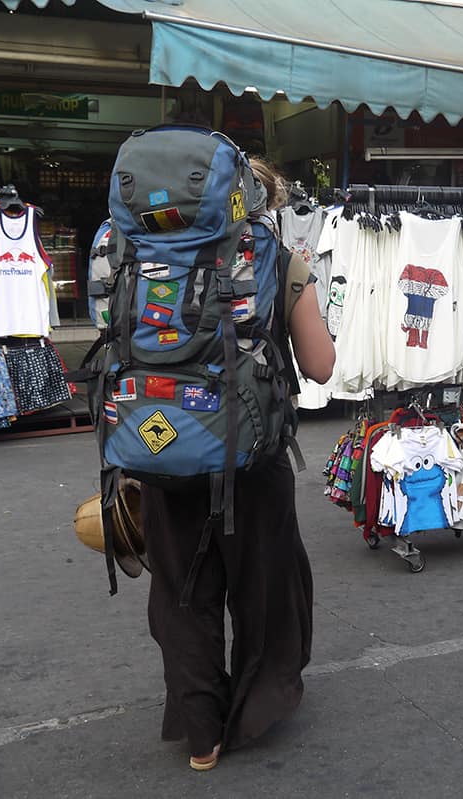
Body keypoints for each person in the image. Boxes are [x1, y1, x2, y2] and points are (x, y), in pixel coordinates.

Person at [138, 156, 335, 770]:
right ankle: (254, 708)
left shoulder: (135, 256)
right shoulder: (279, 261)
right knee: (265, 586)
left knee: (181, 591)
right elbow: (322, 366)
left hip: (161, 445)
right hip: (251, 456)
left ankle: (203, 734)